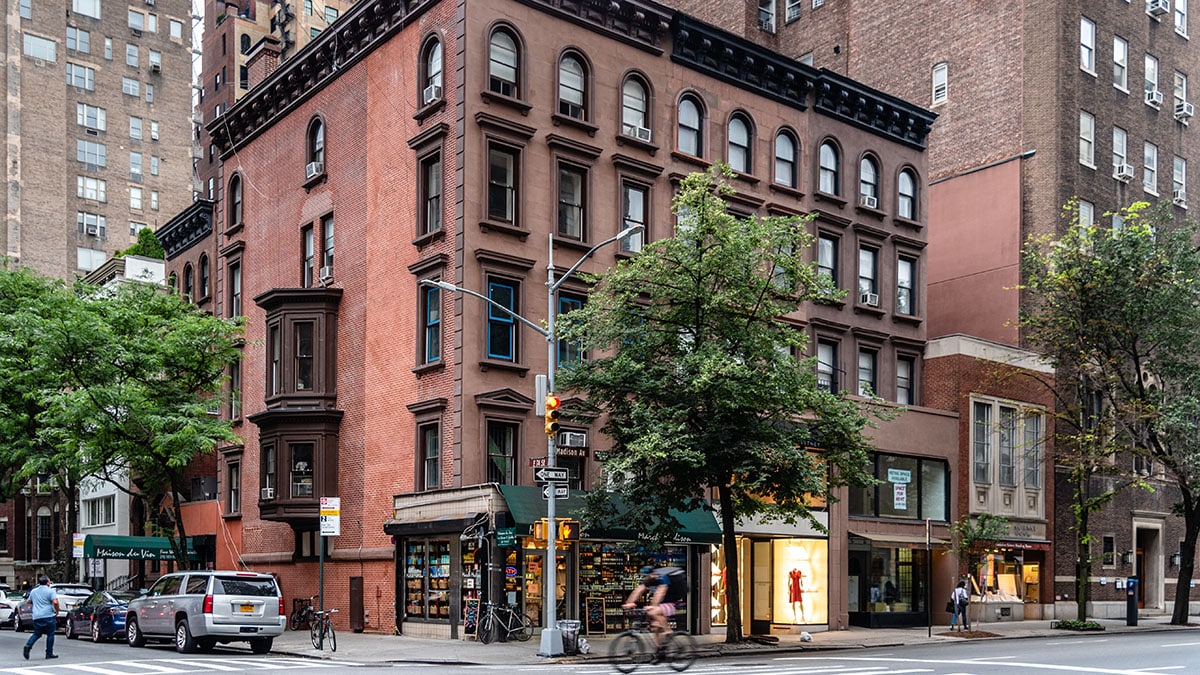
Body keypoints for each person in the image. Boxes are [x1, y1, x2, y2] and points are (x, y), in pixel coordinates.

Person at [622, 566, 686, 647]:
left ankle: (668, 632)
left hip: (673, 598)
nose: (647, 578)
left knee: (653, 612)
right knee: (655, 628)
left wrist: (653, 606)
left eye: (648, 575)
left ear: (653, 573)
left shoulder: (662, 576)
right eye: (645, 576)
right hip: (664, 602)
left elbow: (661, 591)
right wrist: (629, 603)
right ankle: (660, 649)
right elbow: (638, 590)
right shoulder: (647, 580)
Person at [23, 575, 59, 660]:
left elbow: (29, 601)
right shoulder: (50, 591)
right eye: (49, 581)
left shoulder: (34, 591)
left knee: (37, 633)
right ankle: (49, 653)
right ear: (47, 583)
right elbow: (55, 602)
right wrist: (57, 611)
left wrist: (36, 603)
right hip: (48, 615)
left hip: (37, 616)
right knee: (50, 634)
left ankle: (28, 646)